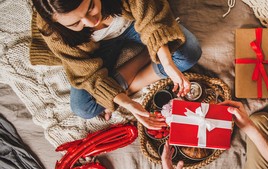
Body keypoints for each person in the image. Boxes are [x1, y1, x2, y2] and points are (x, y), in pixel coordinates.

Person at [30, 0, 202, 128]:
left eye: (90, 7)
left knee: (189, 52)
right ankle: (145, 56)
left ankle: (150, 53)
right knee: (83, 108)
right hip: (98, 47)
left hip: (134, 23)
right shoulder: (52, 29)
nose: (92, 21)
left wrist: (167, 62)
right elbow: (88, 75)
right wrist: (127, 102)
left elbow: (152, 18)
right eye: (76, 23)